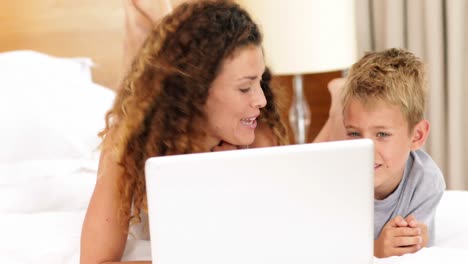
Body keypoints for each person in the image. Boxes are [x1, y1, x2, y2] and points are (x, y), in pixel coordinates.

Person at [80, 1, 289, 263]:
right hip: (161, 117)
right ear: (197, 92)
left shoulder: (257, 135)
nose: (261, 100)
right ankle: (147, 22)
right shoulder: (127, 143)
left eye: (261, 80)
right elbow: (94, 260)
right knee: (137, 97)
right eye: (245, 88)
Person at [340, 48, 446, 258]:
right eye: (353, 133)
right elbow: (325, 245)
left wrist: (414, 242)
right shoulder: (337, 180)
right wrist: (375, 250)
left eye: (382, 134)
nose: (366, 149)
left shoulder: (426, 182)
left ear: (416, 136)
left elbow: (413, 250)